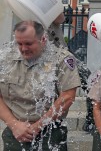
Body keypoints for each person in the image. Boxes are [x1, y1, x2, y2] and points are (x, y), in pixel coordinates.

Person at [0, 21, 81, 150]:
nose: (23, 49)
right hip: (15, 133)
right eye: (19, 43)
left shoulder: (61, 59)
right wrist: (14, 124)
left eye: (28, 43)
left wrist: (37, 126)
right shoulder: (5, 59)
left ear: (43, 39)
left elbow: (67, 97)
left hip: (50, 133)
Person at [47, 12, 93, 133]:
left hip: (63, 54)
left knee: (89, 79)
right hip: (47, 58)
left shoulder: (49, 10)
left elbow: (61, 17)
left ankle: (91, 118)